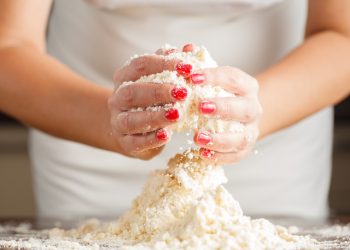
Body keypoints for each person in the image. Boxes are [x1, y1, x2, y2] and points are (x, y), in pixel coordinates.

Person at [0, 0, 349, 220]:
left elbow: (342, 36)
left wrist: (250, 113)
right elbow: (7, 46)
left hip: (273, 138)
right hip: (86, 136)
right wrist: (111, 119)